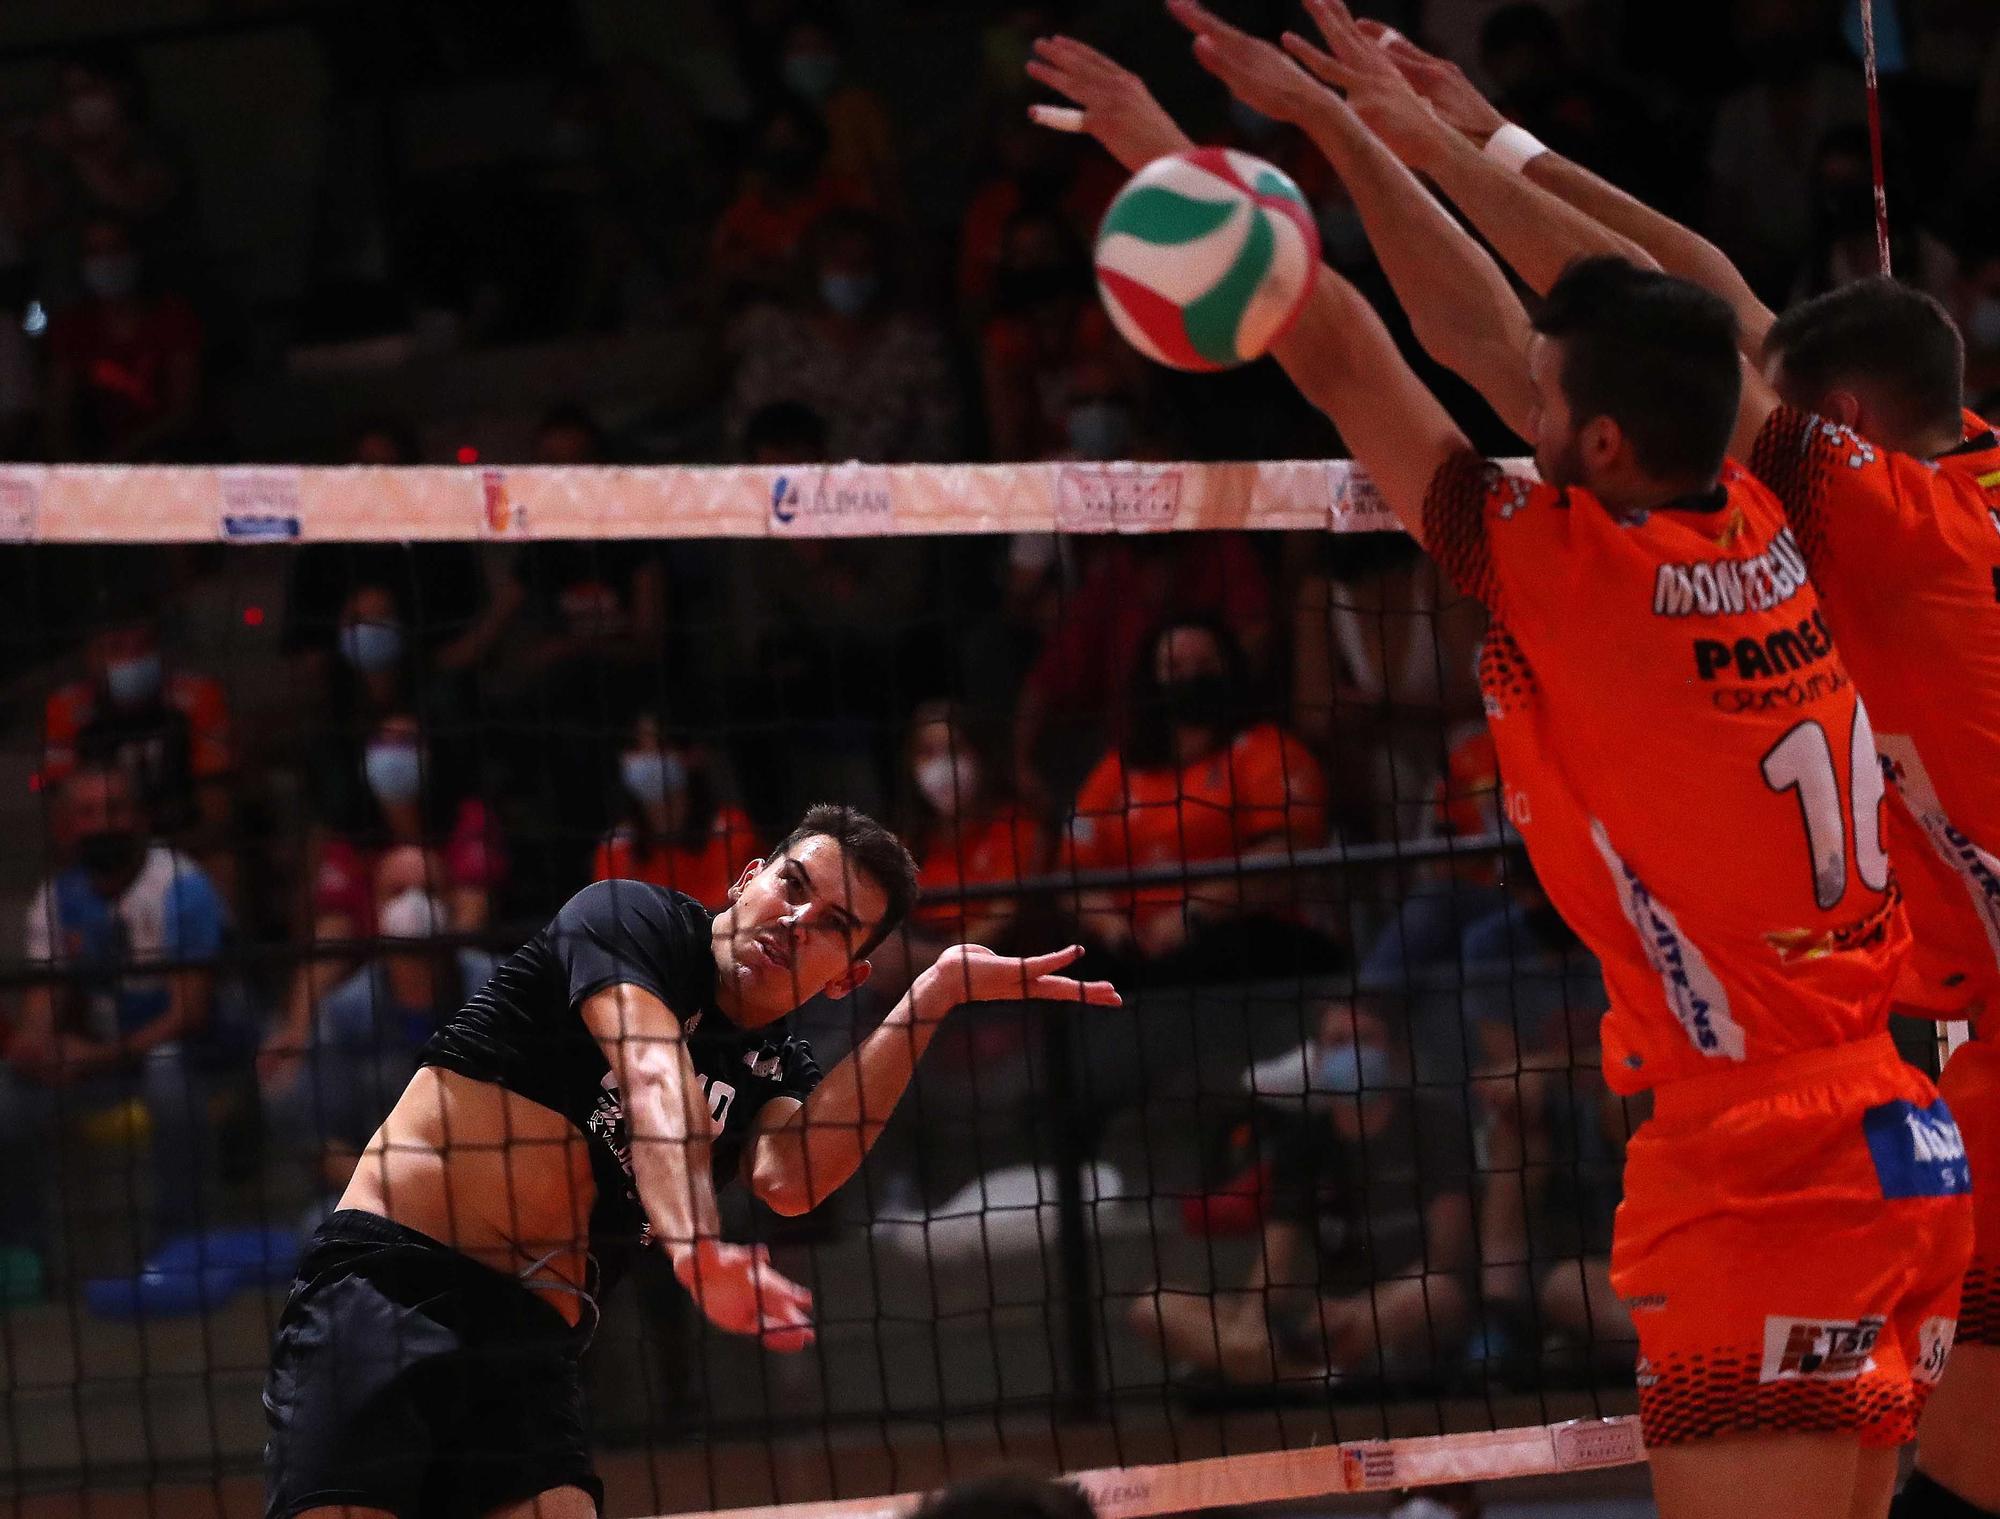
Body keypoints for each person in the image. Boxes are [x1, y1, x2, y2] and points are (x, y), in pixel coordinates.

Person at [1031, 14, 1968, 1516]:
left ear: (1597, 444)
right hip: (1885, 1122)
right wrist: (1355, 130)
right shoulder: (1776, 517)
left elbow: (1341, 345)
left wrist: (1184, 157)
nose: (1511, 416)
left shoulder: (1572, 579)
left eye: (1540, 409)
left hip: (1768, 1161)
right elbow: (1482, 337)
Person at [1349, 33, 2000, 1515]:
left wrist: (1418, 148)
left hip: (1840, 1104)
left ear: (1851, 431)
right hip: (1910, 1093)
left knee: (1957, 1452)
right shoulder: (1969, 475)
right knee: (1947, 1452)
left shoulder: (1891, 525)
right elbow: (1705, 299)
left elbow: (1704, 332)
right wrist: (1486, 143)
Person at [262, 804, 1119, 1519]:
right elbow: (651, 1071)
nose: (794, 922)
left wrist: (932, 995)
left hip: (527, 1348)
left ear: (845, 977)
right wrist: (695, 1248)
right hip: (390, 1283)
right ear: (748, 877)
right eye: (794, 885)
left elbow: (792, 1180)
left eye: (832, 928)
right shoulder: (629, 918)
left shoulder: (777, 1066)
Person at [1129, 998, 1474, 1386]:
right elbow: (1274, 1268)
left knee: (1434, 1294)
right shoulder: (1305, 1143)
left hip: (1401, 1308)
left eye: (1366, 1039)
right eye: (1340, 1041)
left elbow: (1447, 1257)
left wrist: (1360, 1309)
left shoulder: (1433, 1125)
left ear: (1394, 1052)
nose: (1352, 1051)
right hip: (1323, 1320)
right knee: (1154, 1308)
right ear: (1321, 1056)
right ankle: (1307, 1375)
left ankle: (1267, 1373)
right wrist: (1252, 1323)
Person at [4, 763, 228, 1251]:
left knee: (168, 1077)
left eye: (115, 809)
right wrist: (35, 1047)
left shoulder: (181, 884)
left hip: (192, 1052)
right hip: (107, 1058)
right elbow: (42, 1009)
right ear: (65, 828)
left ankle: (181, 1245)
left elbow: (189, 1012)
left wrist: (95, 1056)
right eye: (87, 813)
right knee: (8, 1092)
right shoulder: (55, 899)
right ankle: (23, 1252)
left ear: (141, 819)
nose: (103, 824)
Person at [1061, 618, 1330, 981]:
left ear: (1229, 669)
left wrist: (1192, 915)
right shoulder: (1117, 768)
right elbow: (1073, 875)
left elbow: (1286, 854)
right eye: (1175, 667)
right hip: (1135, 949)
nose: (1191, 677)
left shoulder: (1268, 750)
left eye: (1204, 665)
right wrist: (1117, 932)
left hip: (1245, 937)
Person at [264, 876, 497, 1226]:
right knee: (319, 1226)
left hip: (493, 1183)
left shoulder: (495, 985)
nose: (414, 901)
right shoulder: (345, 1011)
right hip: (385, 1193)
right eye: (398, 890)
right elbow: (325, 1142)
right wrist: (400, 1190)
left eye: (429, 889)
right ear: (376, 907)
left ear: (450, 900)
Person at [41, 608, 233, 880]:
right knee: (69, 881)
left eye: (144, 646)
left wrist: (157, 864)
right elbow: (61, 825)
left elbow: (217, 813)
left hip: (185, 846)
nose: (132, 659)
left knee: (222, 865)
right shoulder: (67, 710)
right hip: (103, 852)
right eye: (116, 648)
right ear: (90, 656)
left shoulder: (199, 697)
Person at [45, 213, 201, 461]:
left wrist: (126, 453)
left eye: (116, 249)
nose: (106, 261)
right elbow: (57, 416)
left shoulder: (173, 318)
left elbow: (183, 412)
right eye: (95, 252)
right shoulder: (72, 326)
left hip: (168, 459)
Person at [591, 711, 757, 910]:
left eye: (658, 746)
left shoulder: (732, 829)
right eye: (638, 747)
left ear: (691, 755)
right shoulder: (615, 848)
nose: (647, 758)